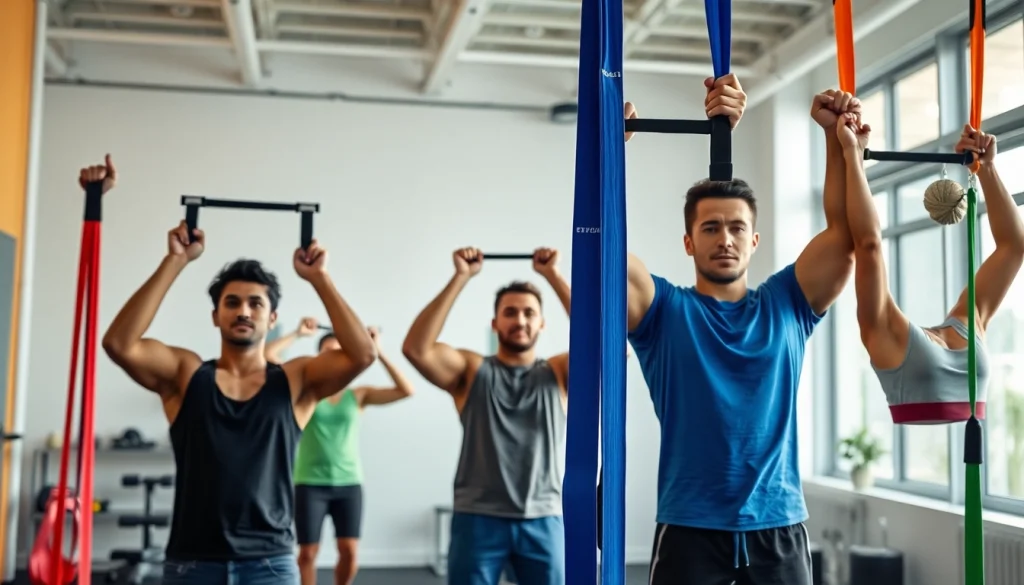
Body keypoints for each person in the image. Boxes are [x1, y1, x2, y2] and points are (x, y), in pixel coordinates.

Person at [97, 155, 377, 585]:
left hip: (269, 563)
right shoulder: (187, 374)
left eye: (255, 304)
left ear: (271, 318)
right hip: (192, 561)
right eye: (231, 302)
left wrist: (320, 279)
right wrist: (175, 261)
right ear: (216, 316)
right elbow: (119, 344)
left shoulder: (296, 380)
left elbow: (362, 355)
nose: (243, 311)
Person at [623, 79, 861, 584]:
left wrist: (836, 140)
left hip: (778, 525)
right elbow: (603, 253)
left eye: (735, 228)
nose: (724, 239)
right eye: (710, 228)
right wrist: (609, 153)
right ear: (688, 242)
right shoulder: (665, 312)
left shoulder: (788, 304)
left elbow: (845, 238)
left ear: (754, 241)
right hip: (690, 526)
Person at [401, 247, 571, 585]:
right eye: (510, 312)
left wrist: (553, 277)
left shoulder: (560, 372)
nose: (520, 320)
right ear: (495, 323)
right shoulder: (472, 370)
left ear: (541, 323)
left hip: (543, 516)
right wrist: (460, 277)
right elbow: (416, 349)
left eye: (528, 313)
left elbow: (610, 347)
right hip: (477, 517)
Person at [838, 114, 1024, 421]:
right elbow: (868, 244)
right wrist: (852, 156)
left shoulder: (967, 324)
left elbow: (1013, 248)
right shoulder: (885, 332)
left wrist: (987, 168)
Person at [265, 321, 415, 585]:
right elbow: (267, 358)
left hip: (349, 484)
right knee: (308, 554)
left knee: (350, 552)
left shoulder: (358, 395)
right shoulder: (306, 392)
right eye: (327, 355)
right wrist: (298, 334)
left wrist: (376, 350)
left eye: (340, 355)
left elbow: (406, 390)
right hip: (310, 483)